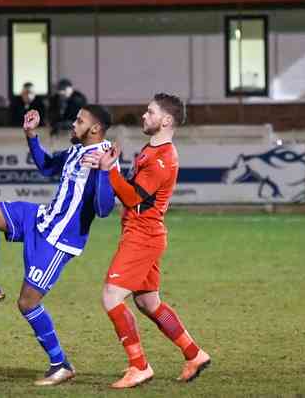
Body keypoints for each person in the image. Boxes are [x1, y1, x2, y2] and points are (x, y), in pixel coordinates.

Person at [0, 105, 116, 386]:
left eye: (80, 121)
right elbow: (47, 166)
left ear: (95, 129)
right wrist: (30, 134)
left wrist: (104, 173)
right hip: (41, 219)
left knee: (27, 302)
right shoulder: (76, 150)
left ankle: (61, 364)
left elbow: (104, 208)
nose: (74, 124)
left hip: (59, 240)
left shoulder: (103, 158)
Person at [83, 93, 210, 388]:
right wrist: (109, 166)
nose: (144, 115)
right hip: (142, 233)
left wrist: (108, 170)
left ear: (166, 120)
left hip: (142, 236)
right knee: (148, 302)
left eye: (150, 112)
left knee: (111, 297)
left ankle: (139, 366)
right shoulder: (151, 150)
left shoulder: (163, 158)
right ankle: (194, 354)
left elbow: (132, 197)